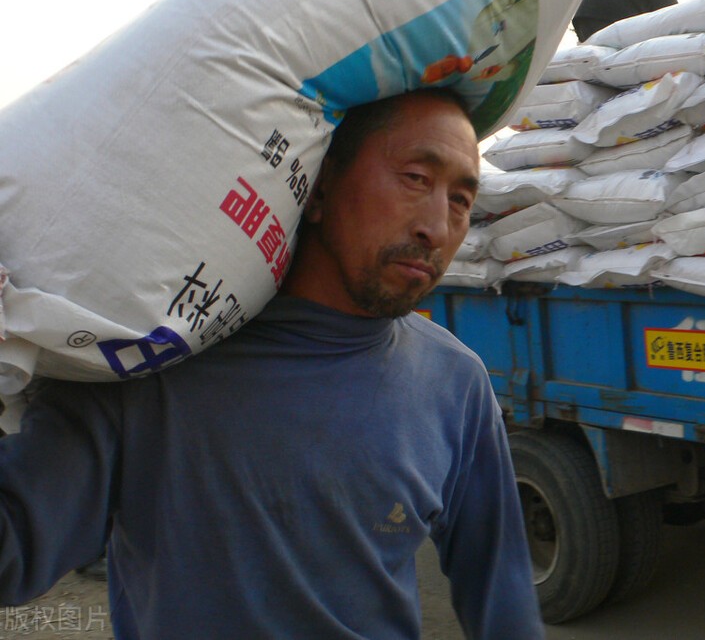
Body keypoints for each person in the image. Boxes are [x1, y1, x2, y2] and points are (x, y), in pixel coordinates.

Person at [0, 90, 545, 639]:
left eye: (460, 200)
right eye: (415, 179)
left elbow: (504, 600)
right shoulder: (151, 361)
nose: (437, 228)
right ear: (320, 184)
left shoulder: (454, 382)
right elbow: (13, 550)